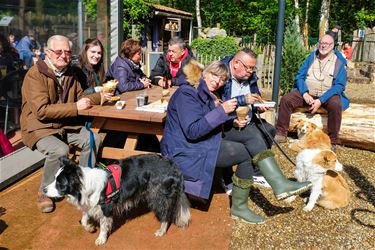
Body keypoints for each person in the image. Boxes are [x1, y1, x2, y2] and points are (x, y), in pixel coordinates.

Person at [161, 60, 311, 224]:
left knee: (251, 132)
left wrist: (232, 117)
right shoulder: (187, 93)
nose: (217, 81)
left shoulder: (206, 93)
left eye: (222, 79)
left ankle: (279, 184)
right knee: (244, 153)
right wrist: (221, 111)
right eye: (214, 75)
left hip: (202, 142)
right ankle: (241, 207)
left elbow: (210, 118)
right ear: (204, 73)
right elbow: (193, 131)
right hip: (186, 150)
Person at [20, 35, 112, 213]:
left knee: (92, 138)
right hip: (39, 127)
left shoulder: (71, 72)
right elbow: (42, 111)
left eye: (67, 52)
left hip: (64, 124)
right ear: (47, 52)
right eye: (58, 51)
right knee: (60, 150)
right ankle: (45, 191)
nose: (63, 55)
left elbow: (80, 98)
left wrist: (99, 97)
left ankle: (82, 182)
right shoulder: (35, 74)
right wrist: (76, 107)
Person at [274, 34, 349, 151]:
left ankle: (333, 141)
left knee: (336, 105)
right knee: (286, 99)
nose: (323, 46)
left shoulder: (339, 62)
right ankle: (281, 132)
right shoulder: (311, 57)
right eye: (321, 43)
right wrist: (304, 93)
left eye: (327, 44)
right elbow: (299, 77)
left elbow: (339, 86)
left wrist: (321, 100)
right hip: (308, 93)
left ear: (332, 46)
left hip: (327, 95)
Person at [219, 48, 276, 188]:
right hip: (227, 123)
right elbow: (219, 105)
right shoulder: (221, 75)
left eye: (253, 68)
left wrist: (259, 106)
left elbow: (255, 97)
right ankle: (227, 178)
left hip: (248, 120)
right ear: (236, 63)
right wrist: (242, 100)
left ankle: (256, 173)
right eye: (248, 68)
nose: (251, 71)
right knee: (253, 136)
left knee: (269, 130)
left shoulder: (250, 77)